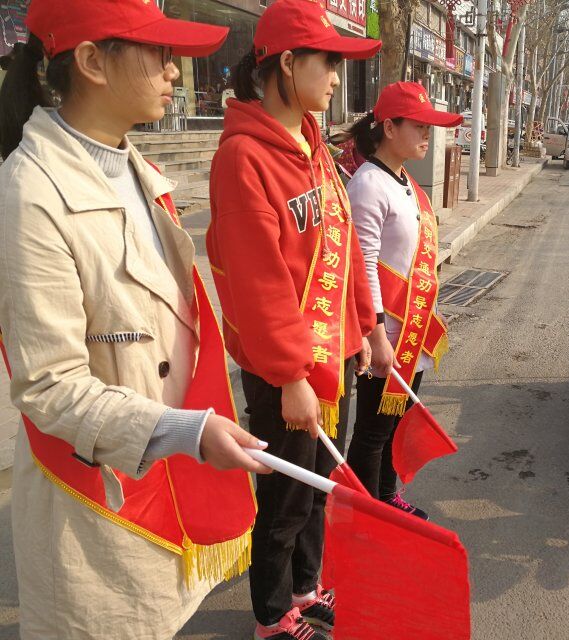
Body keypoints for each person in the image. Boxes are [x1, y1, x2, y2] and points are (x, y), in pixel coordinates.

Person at [0, 0, 269, 638]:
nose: (174, 71)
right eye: (159, 53)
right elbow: (49, 385)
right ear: (92, 61)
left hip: (161, 478)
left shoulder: (135, 168)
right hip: (94, 505)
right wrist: (186, 431)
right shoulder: (29, 192)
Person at [205, 1, 379, 638]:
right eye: (327, 62)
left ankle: (306, 586)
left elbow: (342, 239)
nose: (336, 78)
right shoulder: (243, 158)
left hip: (334, 354)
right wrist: (289, 375)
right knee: (285, 497)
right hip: (286, 373)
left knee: (320, 484)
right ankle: (273, 615)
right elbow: (258, 282)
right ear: (286, 62)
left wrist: (363, 326)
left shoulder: (315, 146)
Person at [341, 82, 462, 519]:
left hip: (412, 332)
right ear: (389, 128)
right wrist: (376, 336)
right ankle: (366, 512)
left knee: (397, 423)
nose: (427, 135)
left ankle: (387, 498)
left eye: (429, 127)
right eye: (419, 126)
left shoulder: (406, 181)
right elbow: (364, 268)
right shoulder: (368, 185)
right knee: (373, 430)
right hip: (386, 335)